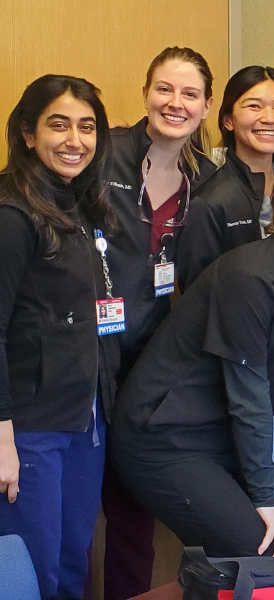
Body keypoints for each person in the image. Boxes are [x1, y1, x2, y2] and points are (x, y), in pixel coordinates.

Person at [109, 147, 274, 558]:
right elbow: (250, 399)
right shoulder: (251, 276)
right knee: (265, 552)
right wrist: (266, 498)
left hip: (222, 438)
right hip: (162, 439)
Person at [102, 46, 218, 600]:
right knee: (71, 510)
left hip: (148, 357)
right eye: (164, 90)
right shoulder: (102, 154)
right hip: (83, 351)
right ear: (145, 92)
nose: (175, 103)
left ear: (206, 105)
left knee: (131, 507)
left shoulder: (210, 179)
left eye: (189, 93)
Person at [0, 75, 119, 600]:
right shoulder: (10, 213)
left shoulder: (80, 203)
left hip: (84, 420)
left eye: (87, 126)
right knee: (32, 573)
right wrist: (1, 436)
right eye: (59, 124)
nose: (75, 139)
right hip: (29, 427)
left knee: (74, 566)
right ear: (28, 134)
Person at [177, 65, 274, 290]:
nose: (269, 118)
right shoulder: (209, 202)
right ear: (228, 120)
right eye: (254, 106)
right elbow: (199, 295)